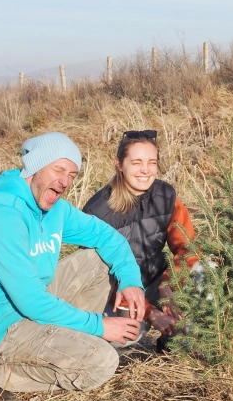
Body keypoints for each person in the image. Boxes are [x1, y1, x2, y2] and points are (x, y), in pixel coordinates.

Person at [0, 132, 146, 401]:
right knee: (102, 364)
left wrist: (130, 281)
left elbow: (109, 237)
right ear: (35, 167)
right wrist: (99, 326)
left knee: (98, 261)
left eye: (72, 175)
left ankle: (71, 339)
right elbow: (32, 301)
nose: (65, 182)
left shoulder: (53, 209)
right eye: (58, 170)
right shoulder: (0, 215)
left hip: (29, 305)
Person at [83, 129, 197, 342]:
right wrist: (150, 312)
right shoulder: (97, 211)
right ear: (119, 164)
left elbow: (188, 247)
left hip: (156, 280)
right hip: (118, 291)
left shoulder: (166, 195)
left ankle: (175, 342)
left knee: (204, 273)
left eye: (152, 162)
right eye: (136, 163)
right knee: (129, 337)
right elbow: (96, 277)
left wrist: (169, 284)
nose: (145, 170)